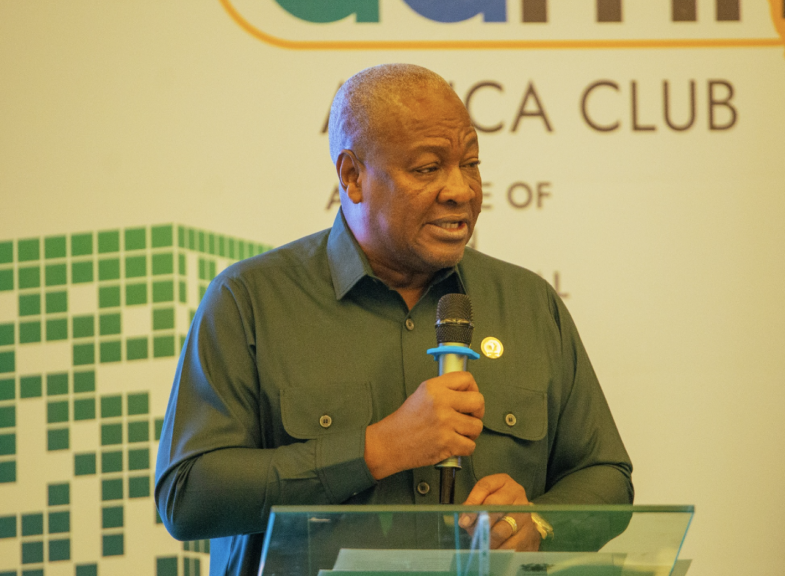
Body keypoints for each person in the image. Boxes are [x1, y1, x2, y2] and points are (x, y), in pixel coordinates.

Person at [154, 64, 633, 576]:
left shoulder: (528, 302)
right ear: (352, 177)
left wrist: (537, 523)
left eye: (470, 164)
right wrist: (377, 449)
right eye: (427, 169)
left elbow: (605, 475)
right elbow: (188, 496)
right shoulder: (250, 300)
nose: (462, 190)